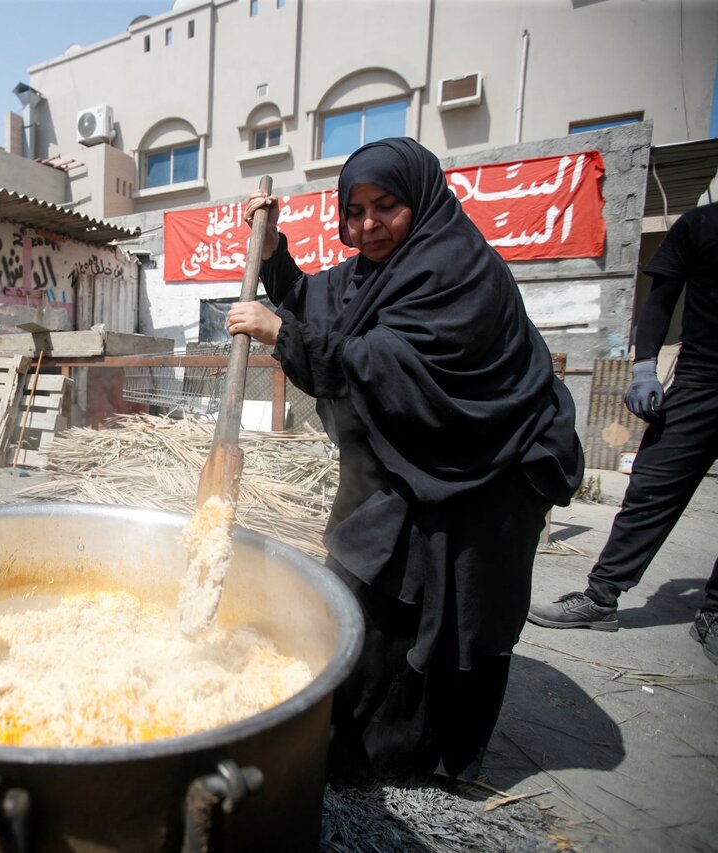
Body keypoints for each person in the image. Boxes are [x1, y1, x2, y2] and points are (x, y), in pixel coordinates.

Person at [228, 137, 584, 780]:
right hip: (416, 460)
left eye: (385, 206)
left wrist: (280, 334)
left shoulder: (454, 269)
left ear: (419, 199)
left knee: (457, 619)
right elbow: (323, 304)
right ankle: (361, 747)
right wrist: (275, 255)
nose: (368, 225)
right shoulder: (374, 270)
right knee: (366, 586)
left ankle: (435, 759)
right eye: (354, 210)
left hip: (487, 468)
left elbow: (389, 368)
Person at [527, 202, 718, 665]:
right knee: (653, 488)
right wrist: (646, 367)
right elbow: (661, 298)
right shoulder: (702, 224)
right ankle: (601, 596)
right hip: (703, 377)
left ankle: (714, 612)